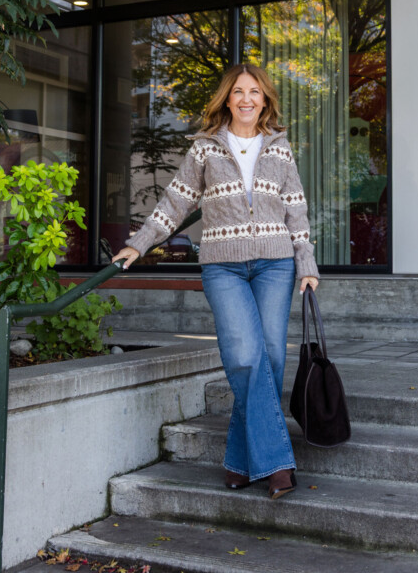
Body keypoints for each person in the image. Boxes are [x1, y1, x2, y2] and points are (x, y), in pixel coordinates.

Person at [113, 63, 319, 500]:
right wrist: (141, 242)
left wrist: (307, 264)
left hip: (275, 264)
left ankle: (240, 462)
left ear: (265, 100)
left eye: (255, 92)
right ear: (227, 99)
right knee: (245, 357)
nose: (247, 99)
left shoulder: (279, 149)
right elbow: (176, 200)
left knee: (271, 361)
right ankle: (278, 464)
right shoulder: (205, 149)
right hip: (223, 267)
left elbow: (295, 211)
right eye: (239, 91)